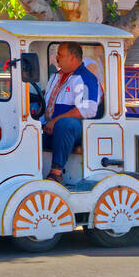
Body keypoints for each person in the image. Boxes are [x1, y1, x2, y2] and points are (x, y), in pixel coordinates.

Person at [42, 42, 100, 183]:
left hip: (78, 130)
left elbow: (88, 109)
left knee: (65, 123)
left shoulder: (86, 78)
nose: (57, 58)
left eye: (60, 55)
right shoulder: (55, 76)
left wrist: (55, 121)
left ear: (72, 58)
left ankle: (56, 172)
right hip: (49, 126)